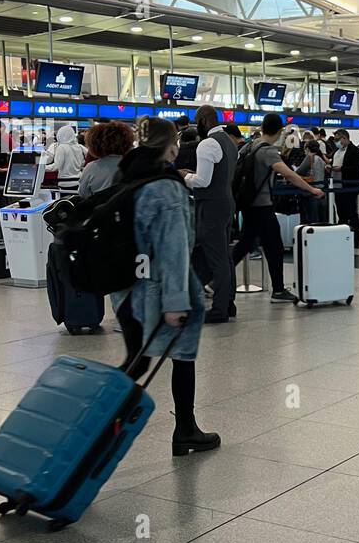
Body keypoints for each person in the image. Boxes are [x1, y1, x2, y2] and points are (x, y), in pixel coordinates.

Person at [113, 118, 219, 457]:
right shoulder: (167, 187)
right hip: (162, 292)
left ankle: (98, 418)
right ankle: (185, 430)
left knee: (137, 361)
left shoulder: (126, 174)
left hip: (128, 291)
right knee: (182, 358)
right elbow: (174, 250)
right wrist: (176, 302)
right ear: (170, 146)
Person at [231, 112, 323, 301]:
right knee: (273, 246)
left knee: (246, 244)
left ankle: (214, 279)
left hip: (248, 203)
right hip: (261, 206)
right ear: (280, 131)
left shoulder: (249, 146)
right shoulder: (267, 151)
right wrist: (311, 190)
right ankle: (278, 290)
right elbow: (288, 174)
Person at [182, 104, 238, 325]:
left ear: (204, 120)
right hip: (226, 202)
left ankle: (219, 310)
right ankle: (228, 303)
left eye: (197, 122)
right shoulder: (230, 142)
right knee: (225, 255)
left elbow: (203, 181)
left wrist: (184, 177)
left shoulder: (207, 144)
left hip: (211, 206)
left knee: (217, 258)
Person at [78, 121, 134, 197]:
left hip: (97, 207)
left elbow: (83, 194)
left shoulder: (91, 168)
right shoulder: (132, 165)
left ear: (94, 143)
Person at [331, 127, 359, 246]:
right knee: (341, 212)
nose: (336, 142)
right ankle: (341, 237)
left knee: (351, 213)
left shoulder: (355, 152)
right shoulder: (337, 152)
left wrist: (342, 169)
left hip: (350, 186)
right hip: (337, 185)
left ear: (345, 138)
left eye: (338, 139)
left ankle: (354, 240)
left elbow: (356, 168)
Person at [43, 124, 86, 192]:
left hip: (65, 183)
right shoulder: (80, 147)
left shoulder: (62, 147)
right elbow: (89, 158)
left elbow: (56, 166)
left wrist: (42, 168)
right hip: (79, 181)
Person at [296, 140, 327, 224]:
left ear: (307, 148)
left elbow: (298, 172)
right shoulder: (321, 158)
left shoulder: (309, 157)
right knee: (320, 220)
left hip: (310, 192)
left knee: (310, 220)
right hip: (321, 191)